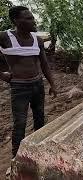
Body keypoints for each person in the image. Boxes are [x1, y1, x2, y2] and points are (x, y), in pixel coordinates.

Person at [0, 6, 57, 160]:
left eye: (32, 17)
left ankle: (38, 150)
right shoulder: (5, 37)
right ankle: (16, 158)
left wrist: (52, 84)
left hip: (38, 85)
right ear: (15, 21)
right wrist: (2, 75)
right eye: (28, 18)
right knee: (20, 123)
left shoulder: (37, 39)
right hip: (19, 88)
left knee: (40, 118)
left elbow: (44, 64)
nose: (33, 21)